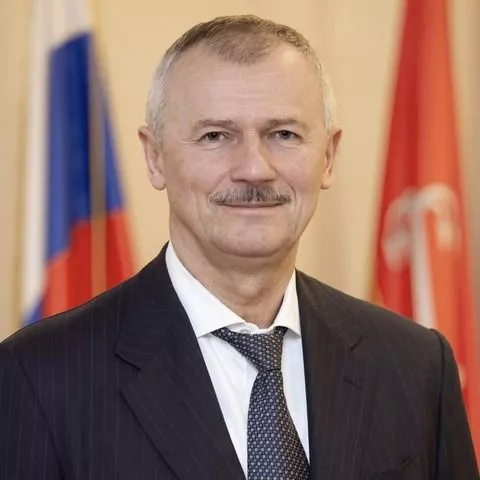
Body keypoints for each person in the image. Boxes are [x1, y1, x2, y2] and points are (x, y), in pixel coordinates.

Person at [0, 14, 478, 480]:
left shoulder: (416, 366)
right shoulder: (39, 377)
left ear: (329, 157)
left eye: (284, 134)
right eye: (216, 136)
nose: (254, 168)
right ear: (155, 157)